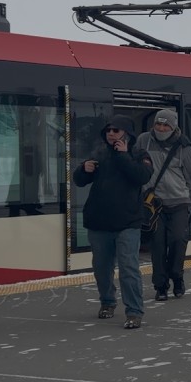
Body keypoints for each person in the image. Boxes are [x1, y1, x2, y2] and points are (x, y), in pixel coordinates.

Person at [73, 115, 154, 329]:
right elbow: (80, 182)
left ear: (127, 134)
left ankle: (134, 311)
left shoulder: (139, 154)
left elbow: (142, 177)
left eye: (116, 131)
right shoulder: (98, 153)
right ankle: (107, 302)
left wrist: (123, 156)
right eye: (108, 130)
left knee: (128, 267)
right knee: (101, 267)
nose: (111, 134)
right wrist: (83, 169)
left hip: (128, 222)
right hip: (99, 221)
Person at [138, 109, 191, 301]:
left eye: (166, 125)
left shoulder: (183, 146)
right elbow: (135, 166)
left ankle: (177, 277)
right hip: (153, 204)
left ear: (173, 127)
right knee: (157, 245)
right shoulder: (144, 140)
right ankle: (161, 286)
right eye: (158, 124)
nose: (161, 128)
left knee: (177, 241)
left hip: (179, 202)